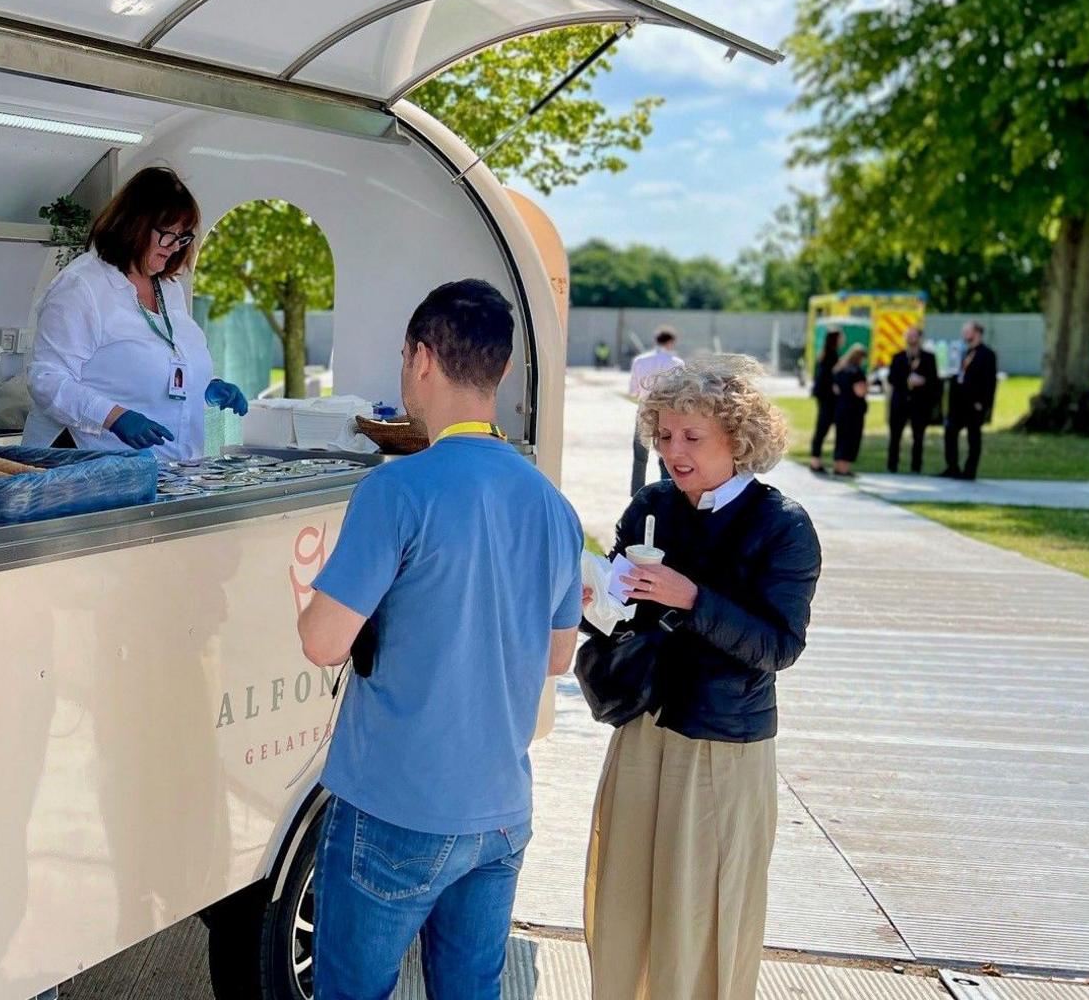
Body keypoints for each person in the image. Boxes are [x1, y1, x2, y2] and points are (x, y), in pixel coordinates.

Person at [296, 279, 583, 1000]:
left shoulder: (398, 491)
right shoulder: (552, 504)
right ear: (504, 371)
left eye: (403, 357)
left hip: (397, 808)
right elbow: (557, 658)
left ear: (422, 360)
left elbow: (324, 642)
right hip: (500, 813)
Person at [585, 354, 821, 1000]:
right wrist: (597, 601)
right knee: (623, 915)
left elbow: (779, 645)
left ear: (738, 438)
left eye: (691, 437)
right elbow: (619, 618)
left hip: (724, 747)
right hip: (642, 733)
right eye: (662, 435)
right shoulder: (652, 506)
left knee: (699, 927)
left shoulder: (784, 527)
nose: (672, 451)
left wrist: (693, 599)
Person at [24, 167, 246, 459]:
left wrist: (206, 387)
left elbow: (159, 370)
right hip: (90, 467)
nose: (174, 247)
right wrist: (114, 417)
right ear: (135, 224)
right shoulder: (82, 286)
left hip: (169, 471)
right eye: (168, 235)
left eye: (182, 238)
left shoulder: (168, 288)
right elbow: (47, 380)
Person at [628, 327, 685, 492]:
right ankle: (668, 489)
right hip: (666, 412)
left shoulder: (639, 361)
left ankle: (637, 491)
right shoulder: (677, 363)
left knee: (640, 456)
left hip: (645, 409)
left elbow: (633, 391)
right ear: (671, 342)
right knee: (666, 454)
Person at [941, 321, 997, 481]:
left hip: (974, 403)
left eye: (967, 331)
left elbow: (989, 381)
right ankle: (952, 467)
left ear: (977, 333)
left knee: (973, 437)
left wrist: (983, 402)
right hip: (958, 403)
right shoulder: (963, 352)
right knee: (950, 433)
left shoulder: (987, 354)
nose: (964, 334)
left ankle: (970, 471)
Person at [887, 327, 940, 474]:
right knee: (895, 435)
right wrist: (907, 381)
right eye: (908, 336)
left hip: (920, 403)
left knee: (918, 437)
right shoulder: (897, 357)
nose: (911, 338)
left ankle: (916, 466)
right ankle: (892, 465)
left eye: (914, 336)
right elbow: (892, 378)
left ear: (920, 338)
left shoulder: (929, 358)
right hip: (900, 402)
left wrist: (923, 381)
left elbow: (934, 381)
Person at [806, 328, 842, 474]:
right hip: (827, 397)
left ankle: (816, 460)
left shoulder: (827, 354)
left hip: (825, 396)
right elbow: (825, 377)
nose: (843, 339)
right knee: (822, 427)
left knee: (823, 427)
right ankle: (815, 461)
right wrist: (833, 386)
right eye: (841, 337)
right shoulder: (830, 355)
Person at [830, 344, 870, 477]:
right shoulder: (857, 372)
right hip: (854, 411)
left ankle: (837, 466)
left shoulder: (839, 370)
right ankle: (844, 469)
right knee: (851, 439)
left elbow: (835, 389)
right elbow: (860, 391)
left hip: (840, 408)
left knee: (841, 437)